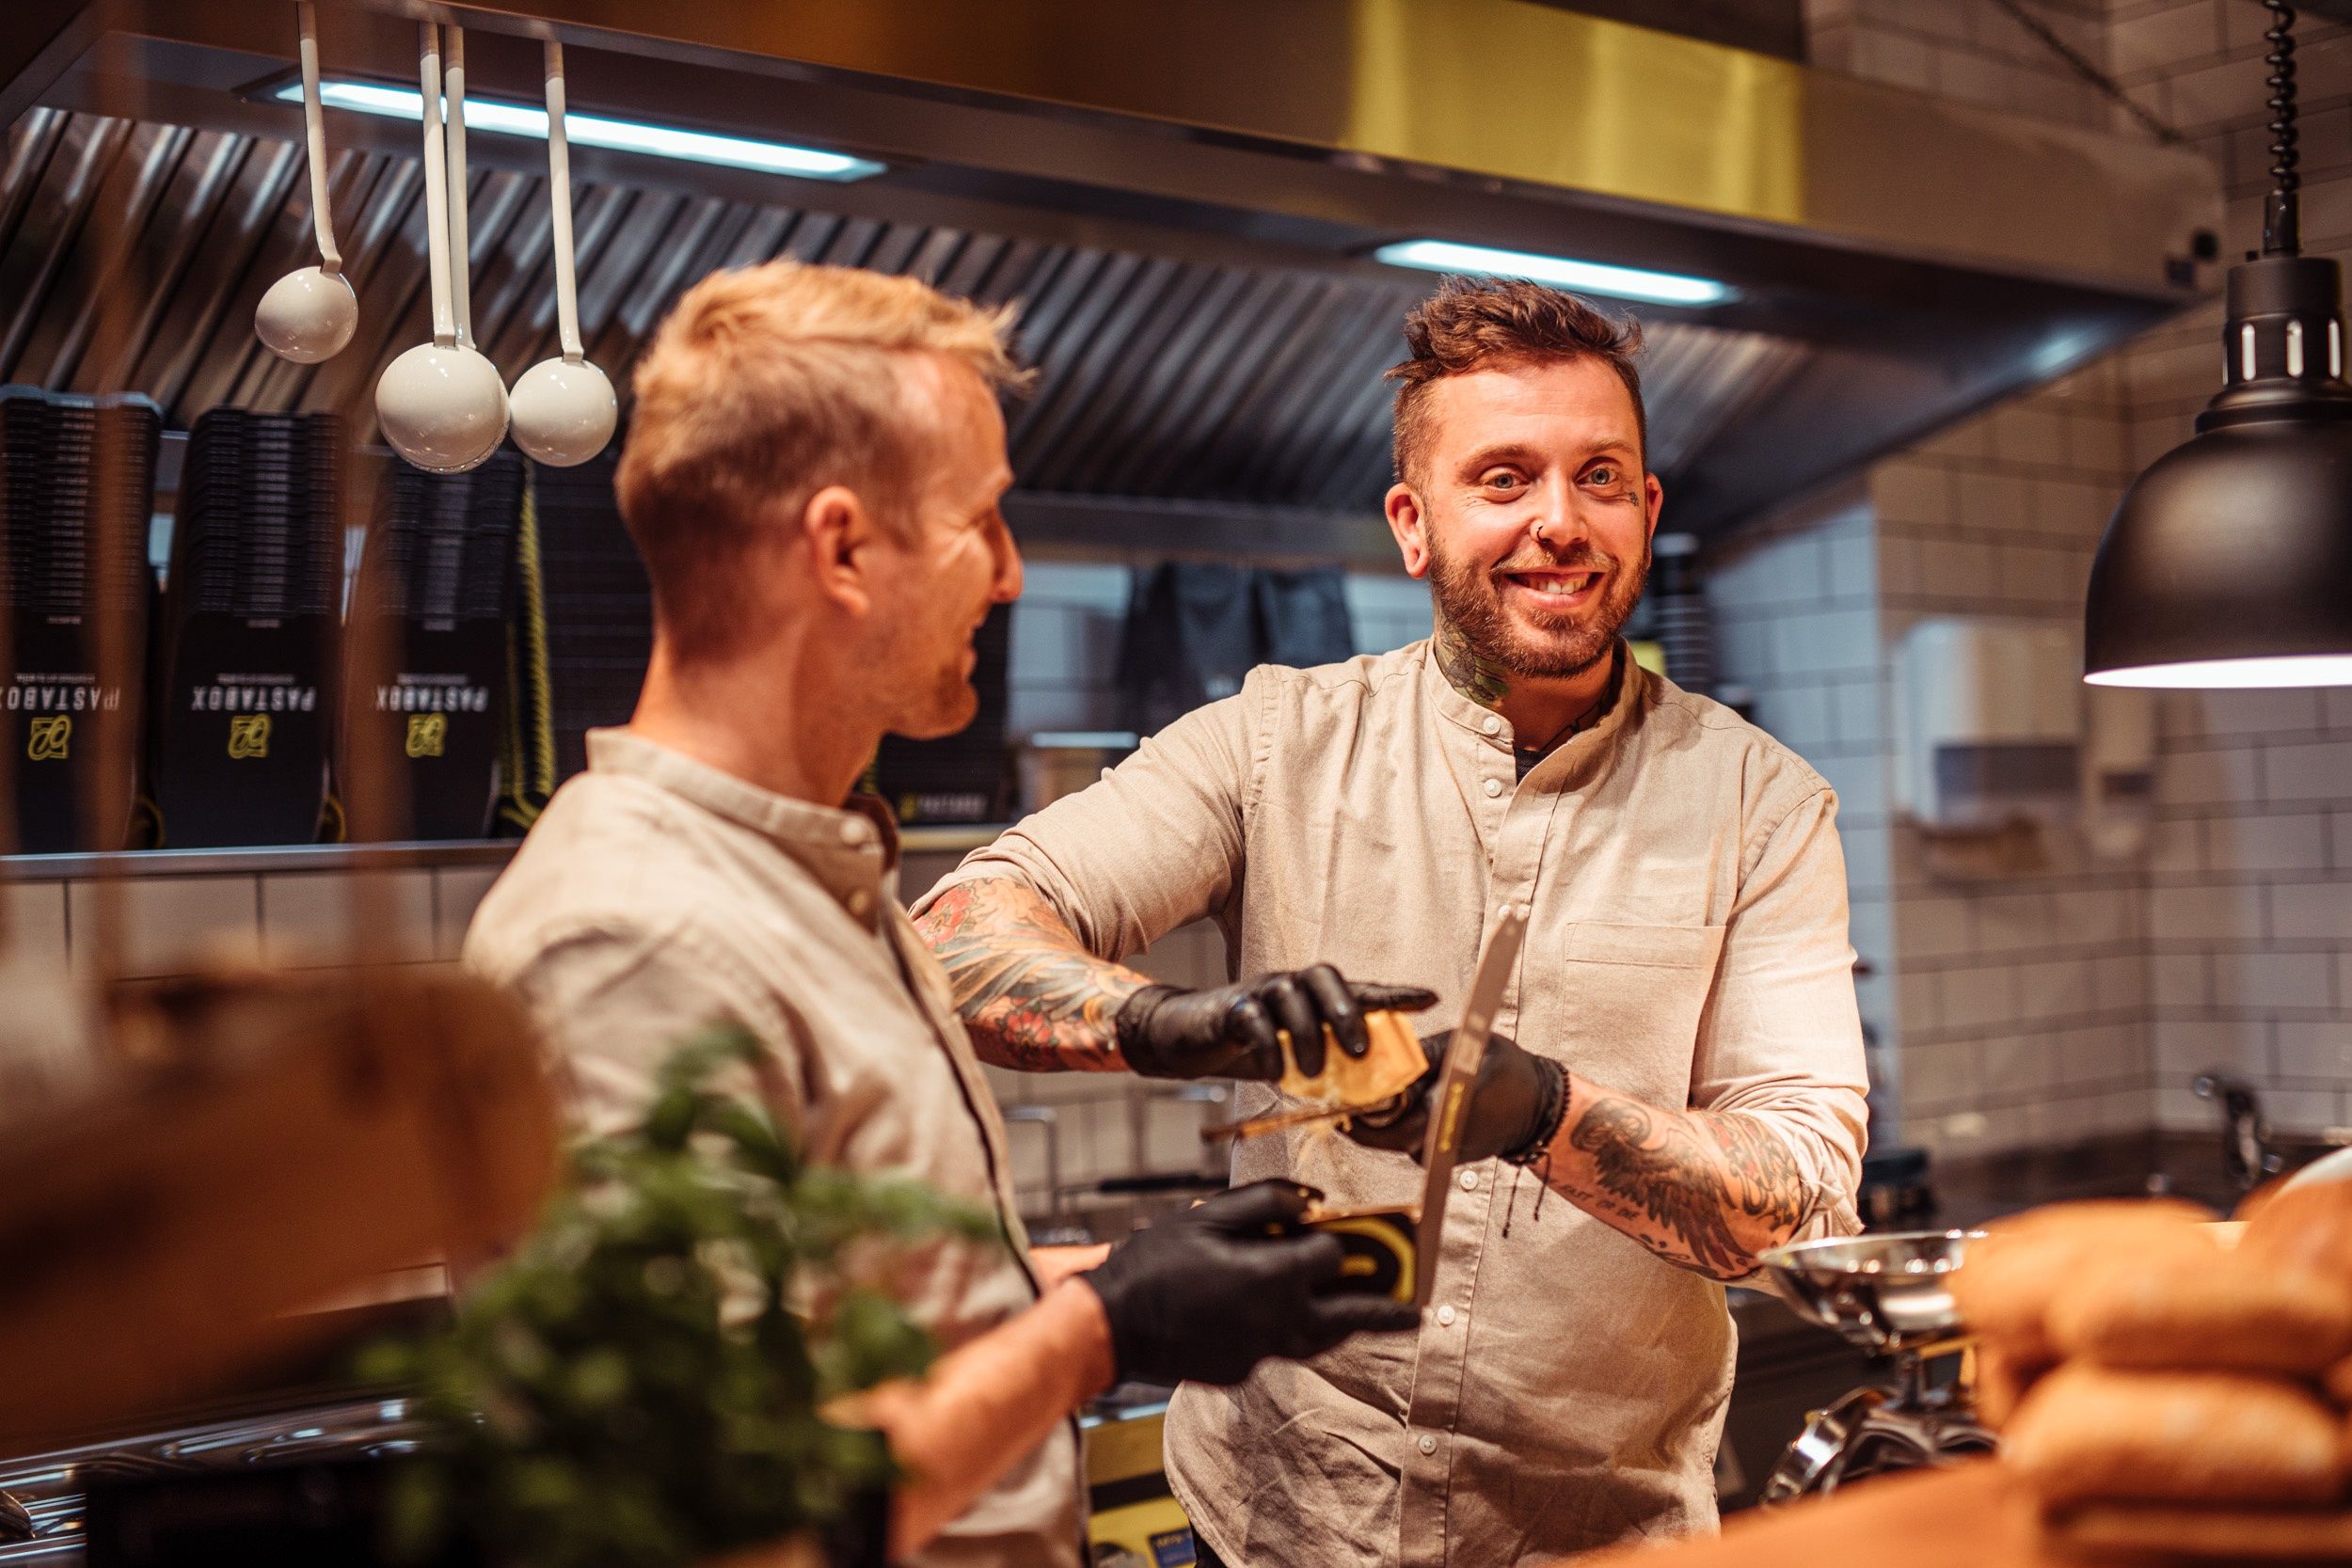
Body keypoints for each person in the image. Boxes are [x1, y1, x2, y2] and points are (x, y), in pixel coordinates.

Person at [463, 261, 1415, 1568]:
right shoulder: (630, 938)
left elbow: (847, 1323)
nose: (1014, 577)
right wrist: (1101, 1336)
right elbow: (703, 1513)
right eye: (985, 521)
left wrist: (1148, 1279)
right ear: (844, 548)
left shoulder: (815, 883)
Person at [910, 277, 1871, 1565]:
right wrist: (1177, 1024)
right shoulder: (1273, 745)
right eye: (1503, 478)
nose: (1557, 521)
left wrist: (1544, 1112)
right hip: (1268, 1537)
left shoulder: (1763, 805)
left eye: (1599, 477)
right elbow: (955, 936)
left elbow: (1802, 1201)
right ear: (1413, 527)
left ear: (1645, 512)